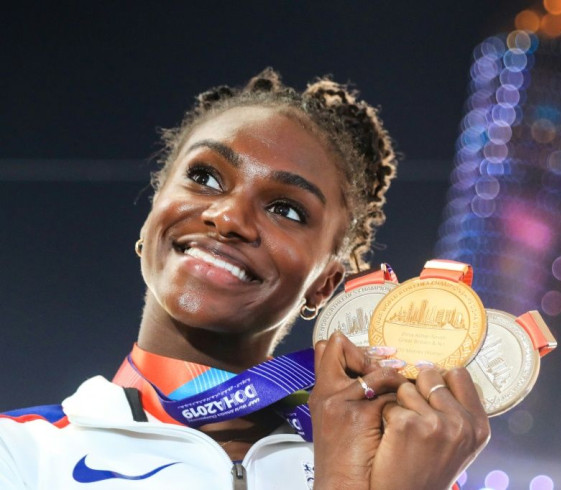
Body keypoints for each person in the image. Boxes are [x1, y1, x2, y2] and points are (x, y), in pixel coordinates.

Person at [0, 68, 490, 489]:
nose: (229, 216)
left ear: (324, 283)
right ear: (154, 211)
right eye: (206, 178)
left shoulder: (406, 461)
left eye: (286, 210)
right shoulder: (22, 451)